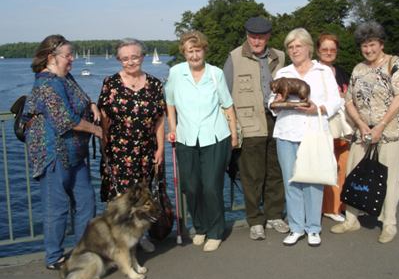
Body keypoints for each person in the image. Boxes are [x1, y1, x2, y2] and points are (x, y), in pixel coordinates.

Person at [22, 34, 102, 270]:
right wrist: (97, 130)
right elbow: (65, 120)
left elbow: (81, 96)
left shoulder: (66, 78)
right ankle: (54, 257)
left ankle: (83, 250)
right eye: (68, 56)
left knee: (87, 202)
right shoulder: (46, 84)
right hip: (53, 155)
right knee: (56, 208)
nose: (72, 60)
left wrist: (92, 104)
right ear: (51, 58)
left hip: (76, 155)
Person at [331, 21, 399, 244]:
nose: (368, 50)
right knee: (353, 175)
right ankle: (351, 219)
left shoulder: (394, 63)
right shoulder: (358, 69)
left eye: (372, 44)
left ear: (380, 43)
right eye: (364, 46)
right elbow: (349, 101)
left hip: (391, 133)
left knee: (389, 180)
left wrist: (381, 125)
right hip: (363, 134)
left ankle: (389, 224)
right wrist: (362, 125)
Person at [165, 31, 238, 252]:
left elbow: (227, 105)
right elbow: (170, 102)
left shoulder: (215, 74)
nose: (194, 55)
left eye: (198, 50)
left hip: (215, 138)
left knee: (211, 187)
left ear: (204, 50)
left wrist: (234, 134)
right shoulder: (176, 72)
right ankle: (200, 227)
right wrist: (172, 127)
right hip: (186, 138)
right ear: (184, 52)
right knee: (191, 187)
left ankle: (215, 231)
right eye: (190, 51)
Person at [268, 28, 341, 246]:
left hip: (314, 132)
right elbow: (272, 102)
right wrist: (277, 105)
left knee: (313, 181)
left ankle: (313, 228)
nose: (294, 50)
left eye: (298, 46)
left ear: (309, 47)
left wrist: (317, 108)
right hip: (286, 133)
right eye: (290, 47)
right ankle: (296, 226)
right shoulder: (282, 73)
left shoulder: (323, 72)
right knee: (292, 182)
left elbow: (336, 101)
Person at [223, 16, 289, 241]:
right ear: (247, 35)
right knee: (251, 176)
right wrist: (233, 128)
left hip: (278, 120)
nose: (257, 40)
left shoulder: (279, 56)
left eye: (261, 36)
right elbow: (225, 96)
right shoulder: (234, 57)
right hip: (249, 124)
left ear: (268, 36)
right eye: (253, 36)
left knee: (276, 171)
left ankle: (274, 215)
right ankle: (255, 219)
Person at [97, 38, 165, 252]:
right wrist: (104, 148)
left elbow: (160, 119)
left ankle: (139, 236)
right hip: (118, 151)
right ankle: (118, 241)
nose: (130, 62)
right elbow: (104, 119)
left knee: (143, 197)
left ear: (142, 57)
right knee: (119, 199)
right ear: (119, 60)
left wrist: (160, 148)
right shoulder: (111, 83)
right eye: (125, 58)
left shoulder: (154, 84)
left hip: (146, 151)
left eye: (134, 57)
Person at [316, 33, 350, 223]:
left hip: (343, 127)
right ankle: (327, 207)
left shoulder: (342, 72)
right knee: (327, 167)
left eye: (332, 50)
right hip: (324, 126)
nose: (329, 53)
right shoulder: (315, 71)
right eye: (325, 49)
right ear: (318, 51)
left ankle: (339, 205)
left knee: (342, 166)